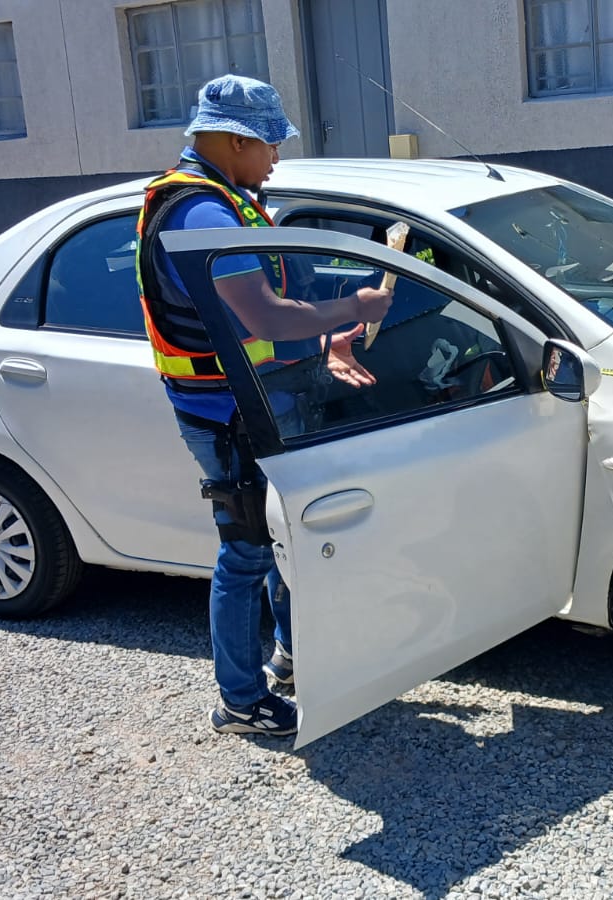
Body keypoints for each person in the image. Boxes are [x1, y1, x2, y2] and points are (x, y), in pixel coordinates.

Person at [135, 74, 392, 736]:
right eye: (269, 143)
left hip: (251, 400)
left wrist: (329, 337)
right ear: (228, 139)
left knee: (282, 539)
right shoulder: (202, 214)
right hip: (224, 412)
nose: (276, 156)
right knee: (247, 547)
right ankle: (240, 702)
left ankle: (289, 658)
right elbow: (267, 317)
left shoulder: (230, 200)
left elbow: (271, 312)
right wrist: (354, 308)